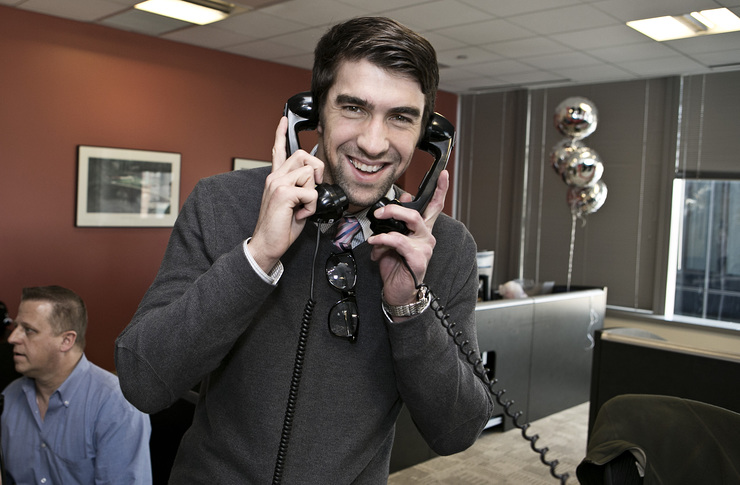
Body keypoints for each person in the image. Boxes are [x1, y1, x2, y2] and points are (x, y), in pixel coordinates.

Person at [115, 16, 493, 483]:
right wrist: (257, 257)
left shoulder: (445, 248)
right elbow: (142, 381)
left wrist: (409, 309)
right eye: (353, 108)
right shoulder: (222, 203)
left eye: (400, 117)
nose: (374, 143)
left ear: (426, 135)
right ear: (313, 115)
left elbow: (457, 431)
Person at [1, 286, 152, 484]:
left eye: (28, 330)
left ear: (66, 341)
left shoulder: (116, 405)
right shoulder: (9, 397)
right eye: (16, 327)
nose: (12, 338)